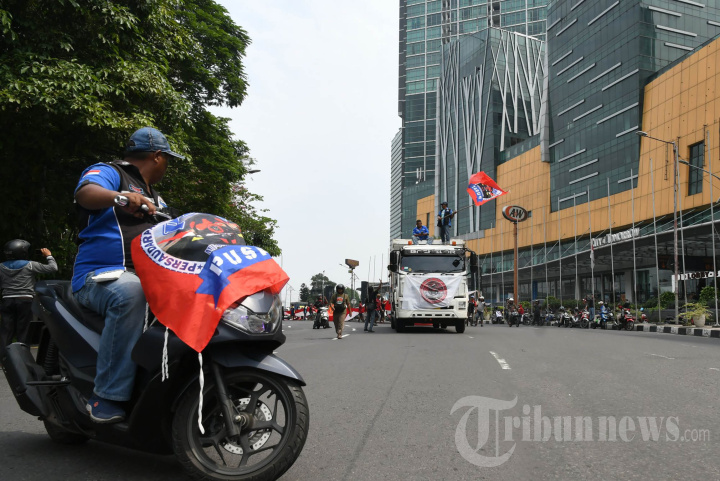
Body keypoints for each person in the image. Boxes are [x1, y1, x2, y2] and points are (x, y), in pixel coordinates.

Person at [72, 127, 183, 423]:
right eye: (167, 159)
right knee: (132, 293)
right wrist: (119, 197)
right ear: (157, 156)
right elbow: (86, 194)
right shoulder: (110, 172)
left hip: (148, 278)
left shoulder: (157, 199)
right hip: (101, 276)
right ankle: (107, 396)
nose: (167, 166)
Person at [1, 240, 58, 349]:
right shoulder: (30, 265)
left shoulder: (1, 267)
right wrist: (49, 256)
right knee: (24, 330)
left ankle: (3, 356)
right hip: (25, 300)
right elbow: (53, 268)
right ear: (22, 253)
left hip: (7, 300)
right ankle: (22, 354)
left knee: (6, 330)